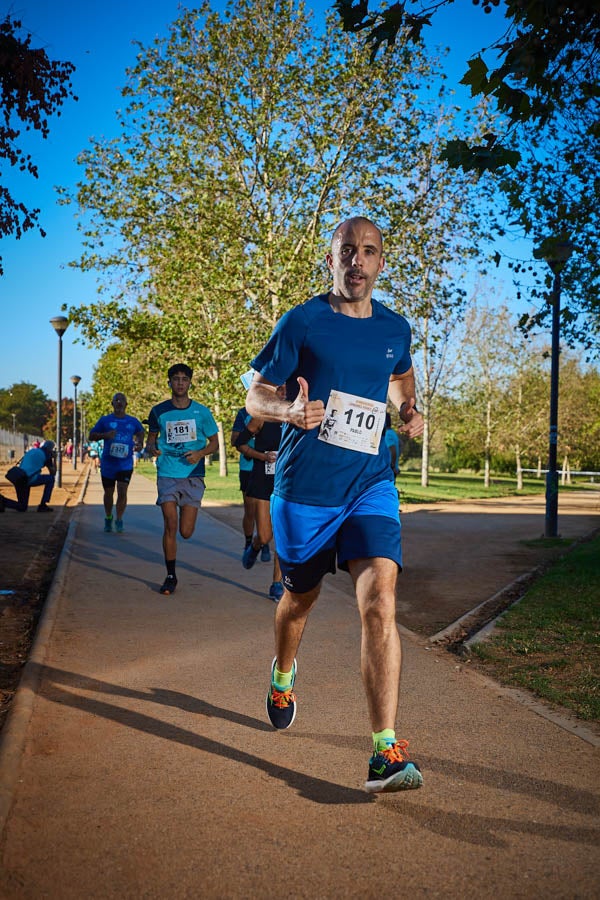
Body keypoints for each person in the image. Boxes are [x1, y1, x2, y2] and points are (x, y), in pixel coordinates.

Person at [245, 216, 425, 794]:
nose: (357, 261)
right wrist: (288, 413)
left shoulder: (396, 328)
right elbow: (255, 393)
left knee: (379, 602)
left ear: (380, 262)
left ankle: (384, 750)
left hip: (370, 484)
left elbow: (400, 377)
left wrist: (406, 410)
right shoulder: (303, 321)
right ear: (332, 259)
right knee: (299, 602)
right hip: (306, 491)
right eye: (347, 250)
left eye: (368, 252)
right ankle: (282, 673)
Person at [145, 363, 218, 596]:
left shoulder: (202, 412)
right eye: (175, 379)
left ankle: (172, 568)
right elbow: (151, 440)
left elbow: (215, 443)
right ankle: (170, 575)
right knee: (170, 525)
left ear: (189, 382)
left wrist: (199, 454)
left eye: (184, 379)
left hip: (193, 475)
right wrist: (151, 448)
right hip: (167, 473)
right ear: (169, 382)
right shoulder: (158, 411)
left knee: (186, 531)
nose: (179, 383)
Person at [234, 390, 285, 602]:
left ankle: (276, 584)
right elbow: (240, 443)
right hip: (263, 482)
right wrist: (262, 456)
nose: (283, 393)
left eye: (286, 388)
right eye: (278, 389)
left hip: (288, 484)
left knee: (283, 536)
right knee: (265, 536)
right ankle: (254, 546)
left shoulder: (299, 418)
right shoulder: (261, 418)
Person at [89, 393, 145, 534]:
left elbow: (140, 431)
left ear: (126, 404)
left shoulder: (132, 421)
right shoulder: (105, 420)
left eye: (122, 400)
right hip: (108, 463)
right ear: (112, 404)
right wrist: (105, 435)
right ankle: (108, 517)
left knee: (122, 491)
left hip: (125, 464)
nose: (119, 402)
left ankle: (119, 519)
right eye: (116, 400)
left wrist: (139, 443)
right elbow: (91, 435)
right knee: (108, 493)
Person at [231, 407, 272, 563]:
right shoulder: (244, 414)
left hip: (270, 468)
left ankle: (264, 542)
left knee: (267, 511)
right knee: (250, 509)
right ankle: (249, 542)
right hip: (249, 467)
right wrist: (254, 433)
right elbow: (235, 440)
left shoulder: (278, 413)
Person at [0, 441, 57, 513]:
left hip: (18, 478)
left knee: (22, 507)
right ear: (50, 449)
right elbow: (53, 473)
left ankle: (3, 501)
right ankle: (43, 505)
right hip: (29, 479)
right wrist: (54, 459)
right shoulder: (46, 455)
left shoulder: (32, 450)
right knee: (51, 479)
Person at [384, 412, 401, 481]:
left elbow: (393, 450)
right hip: (392, 469)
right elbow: (401, 444)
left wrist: (392, 466)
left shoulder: (387, 434)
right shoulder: (393, 433)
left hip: (389, 470)